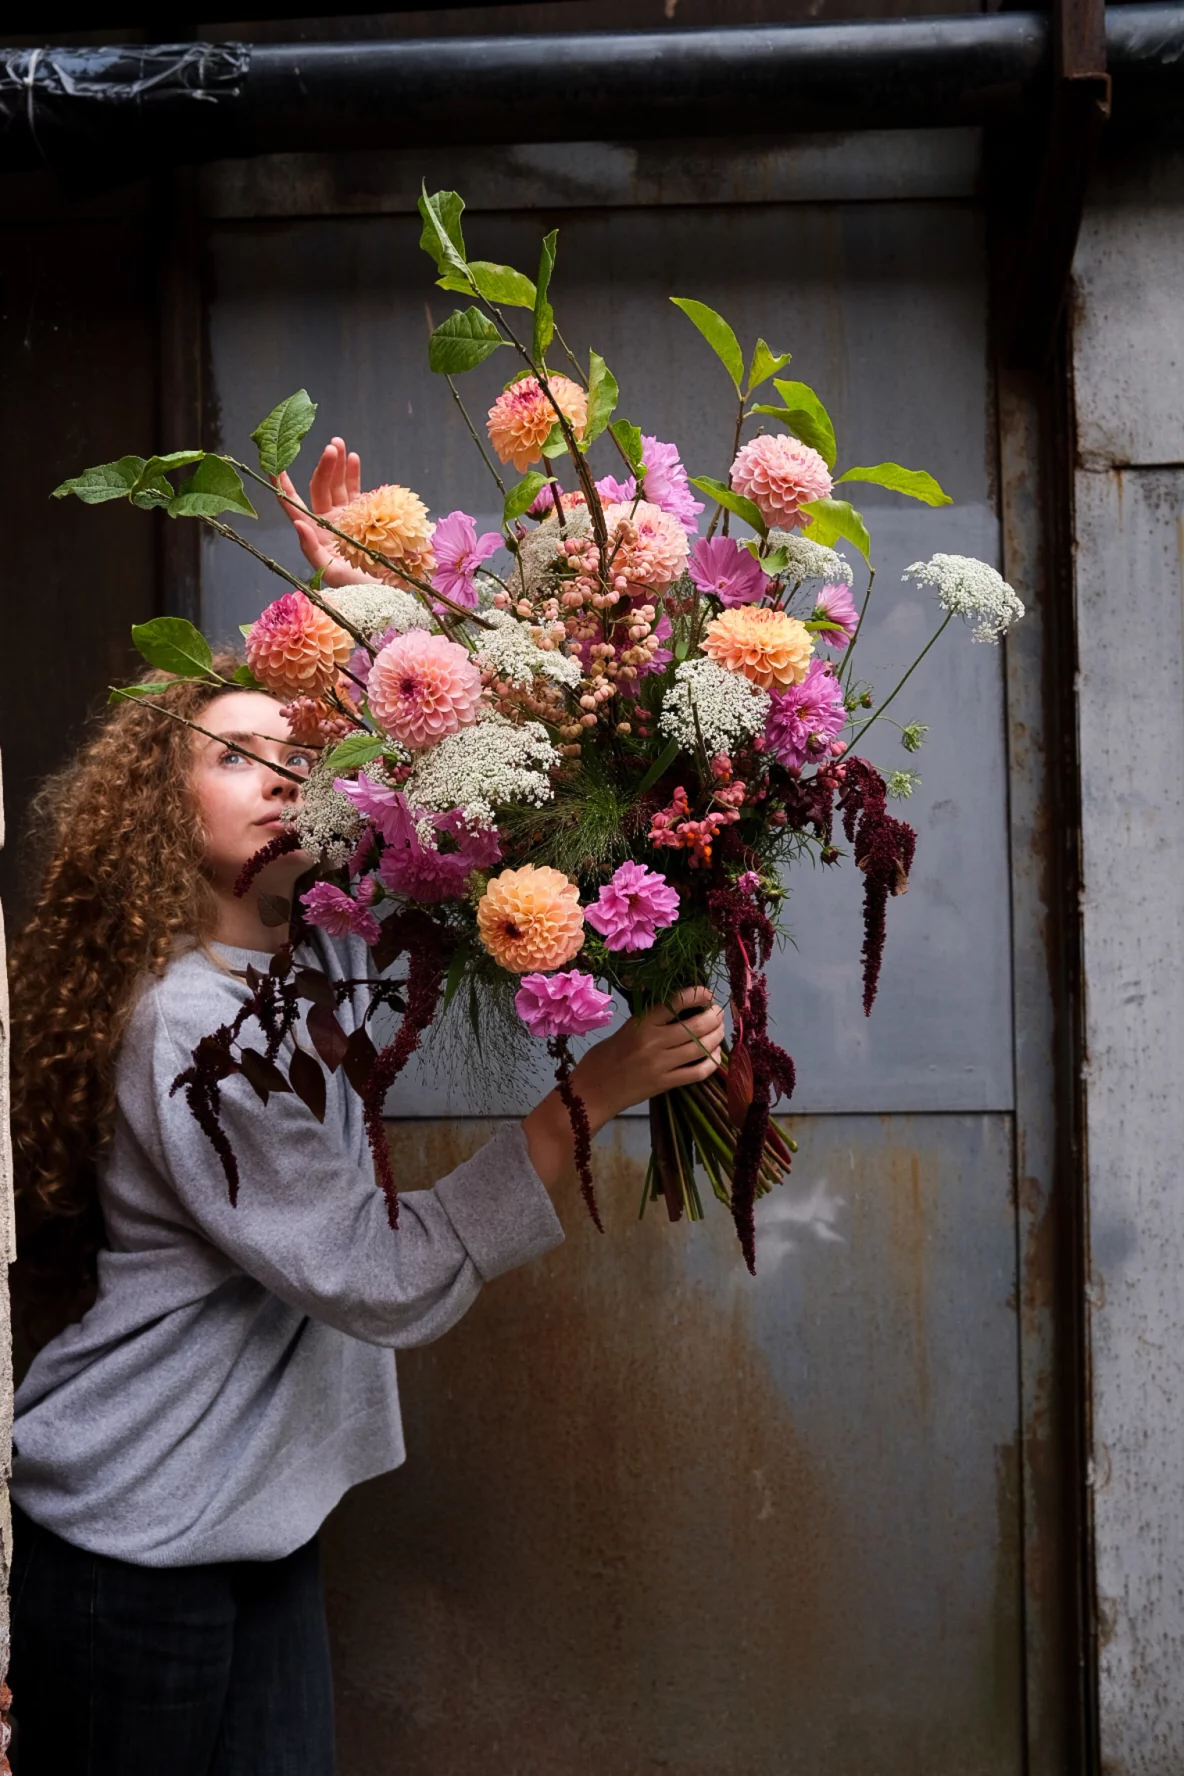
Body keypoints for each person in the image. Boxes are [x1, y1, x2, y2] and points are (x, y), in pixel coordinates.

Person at [6, 463, 724, 1774]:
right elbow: (375, 1271)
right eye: (235, 759)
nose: (282, 773)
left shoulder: (308, 955)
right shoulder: (189, 1025)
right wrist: (597, 1091)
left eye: (295, 752)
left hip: (250, 1523)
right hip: (134, 1538)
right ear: (160, 810)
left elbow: (436, 781)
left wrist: (364, 601)